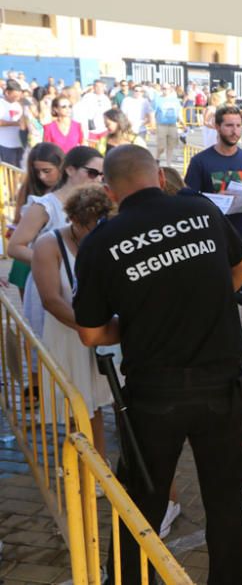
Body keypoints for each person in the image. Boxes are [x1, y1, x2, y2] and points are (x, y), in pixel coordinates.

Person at [72, 145, 242, 585]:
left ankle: (128, 579)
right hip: (223, 385)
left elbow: (91, 333)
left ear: (110, 190)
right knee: (225, 495)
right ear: (159, 177)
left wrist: (141, 323)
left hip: (154, 393)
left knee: (141, 497)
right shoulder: (201, 211)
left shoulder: (101, 242)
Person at [184, 105, 242, 369]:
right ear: (217, 127)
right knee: (218, 296)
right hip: (213, 240)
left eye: (238, 126)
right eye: (229, 125)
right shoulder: (201, 161)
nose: (235, 131)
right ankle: (216, 348)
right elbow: (188, 199)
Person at [33, 185, 115, 459]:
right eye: (90, 227)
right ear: (75, 221)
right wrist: (89, 329)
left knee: (105, 403)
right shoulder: (48, 244)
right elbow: (51, 300)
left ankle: (101, 470)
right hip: (70, 334)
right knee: (79, 408)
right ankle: (87, 473)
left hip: (104, 333)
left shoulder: (106, 238)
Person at [10, 146, 104, 337]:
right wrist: (51, 263)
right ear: (70, 170)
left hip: (83, 288)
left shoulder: (101, 203)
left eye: (102, 174)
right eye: (92, 173)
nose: (98, 179)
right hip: (50, 287)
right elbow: (15, 247)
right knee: (48, 348)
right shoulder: (45, 205)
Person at [8, 143, 65, 293]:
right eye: (37, 171)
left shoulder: (69, 191)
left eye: (47, 171)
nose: (42, 176)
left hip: (56, 258)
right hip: (27, 256)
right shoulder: (29, 188)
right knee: (29, 308)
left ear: (62, 166)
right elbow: (17, 222)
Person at [152, 85, 182, 165]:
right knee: (161, 146)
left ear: (170, 89)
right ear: (161, 89)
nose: (165, 90)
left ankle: (169, 164)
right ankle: (157, 158)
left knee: (171, 146)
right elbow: (153, 112)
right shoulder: (158, 99)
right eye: (163, 88)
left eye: (167, 88)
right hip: (161, 124)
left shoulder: (175, 100)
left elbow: (178, 112)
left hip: (172, 124)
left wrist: (183, 122)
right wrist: (152, 125)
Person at [0, 79, 25, 167]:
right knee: (9, 171)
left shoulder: (18, 105)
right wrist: (16, 123)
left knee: (19, 170)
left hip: (19, 144)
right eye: (15, 96)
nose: (18, 98)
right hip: (5, 145)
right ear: (7, 93)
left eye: (19, 96)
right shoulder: (1, 104)